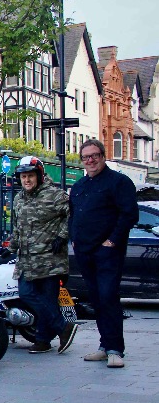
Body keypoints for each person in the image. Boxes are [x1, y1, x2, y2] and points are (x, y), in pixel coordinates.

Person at [69, 139, 138, 368]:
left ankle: (115, 349)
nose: (90, 160)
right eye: (86, 157)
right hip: (85, 251)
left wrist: (112, 241)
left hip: (107, 252)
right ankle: (104, 345)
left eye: (94, 155)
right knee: (97, 299)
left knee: (108, 297)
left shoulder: (119, 182)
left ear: (103, 155)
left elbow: (129, 215)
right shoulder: (79, 186)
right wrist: (74, 239)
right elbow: (73, 215)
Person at [8, 157, 77, 354]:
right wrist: (11, 246)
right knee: (27, 293)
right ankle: (62, 327)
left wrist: (62, 236)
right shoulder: (19, 199)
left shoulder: (55, 195)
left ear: (38, 175)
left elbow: (72, 215)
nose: (27, 180)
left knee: (47, 298)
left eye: (30, 176)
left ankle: (43, 339)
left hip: (50, 258)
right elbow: (17, 227)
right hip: (27, 259)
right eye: (23, 177)